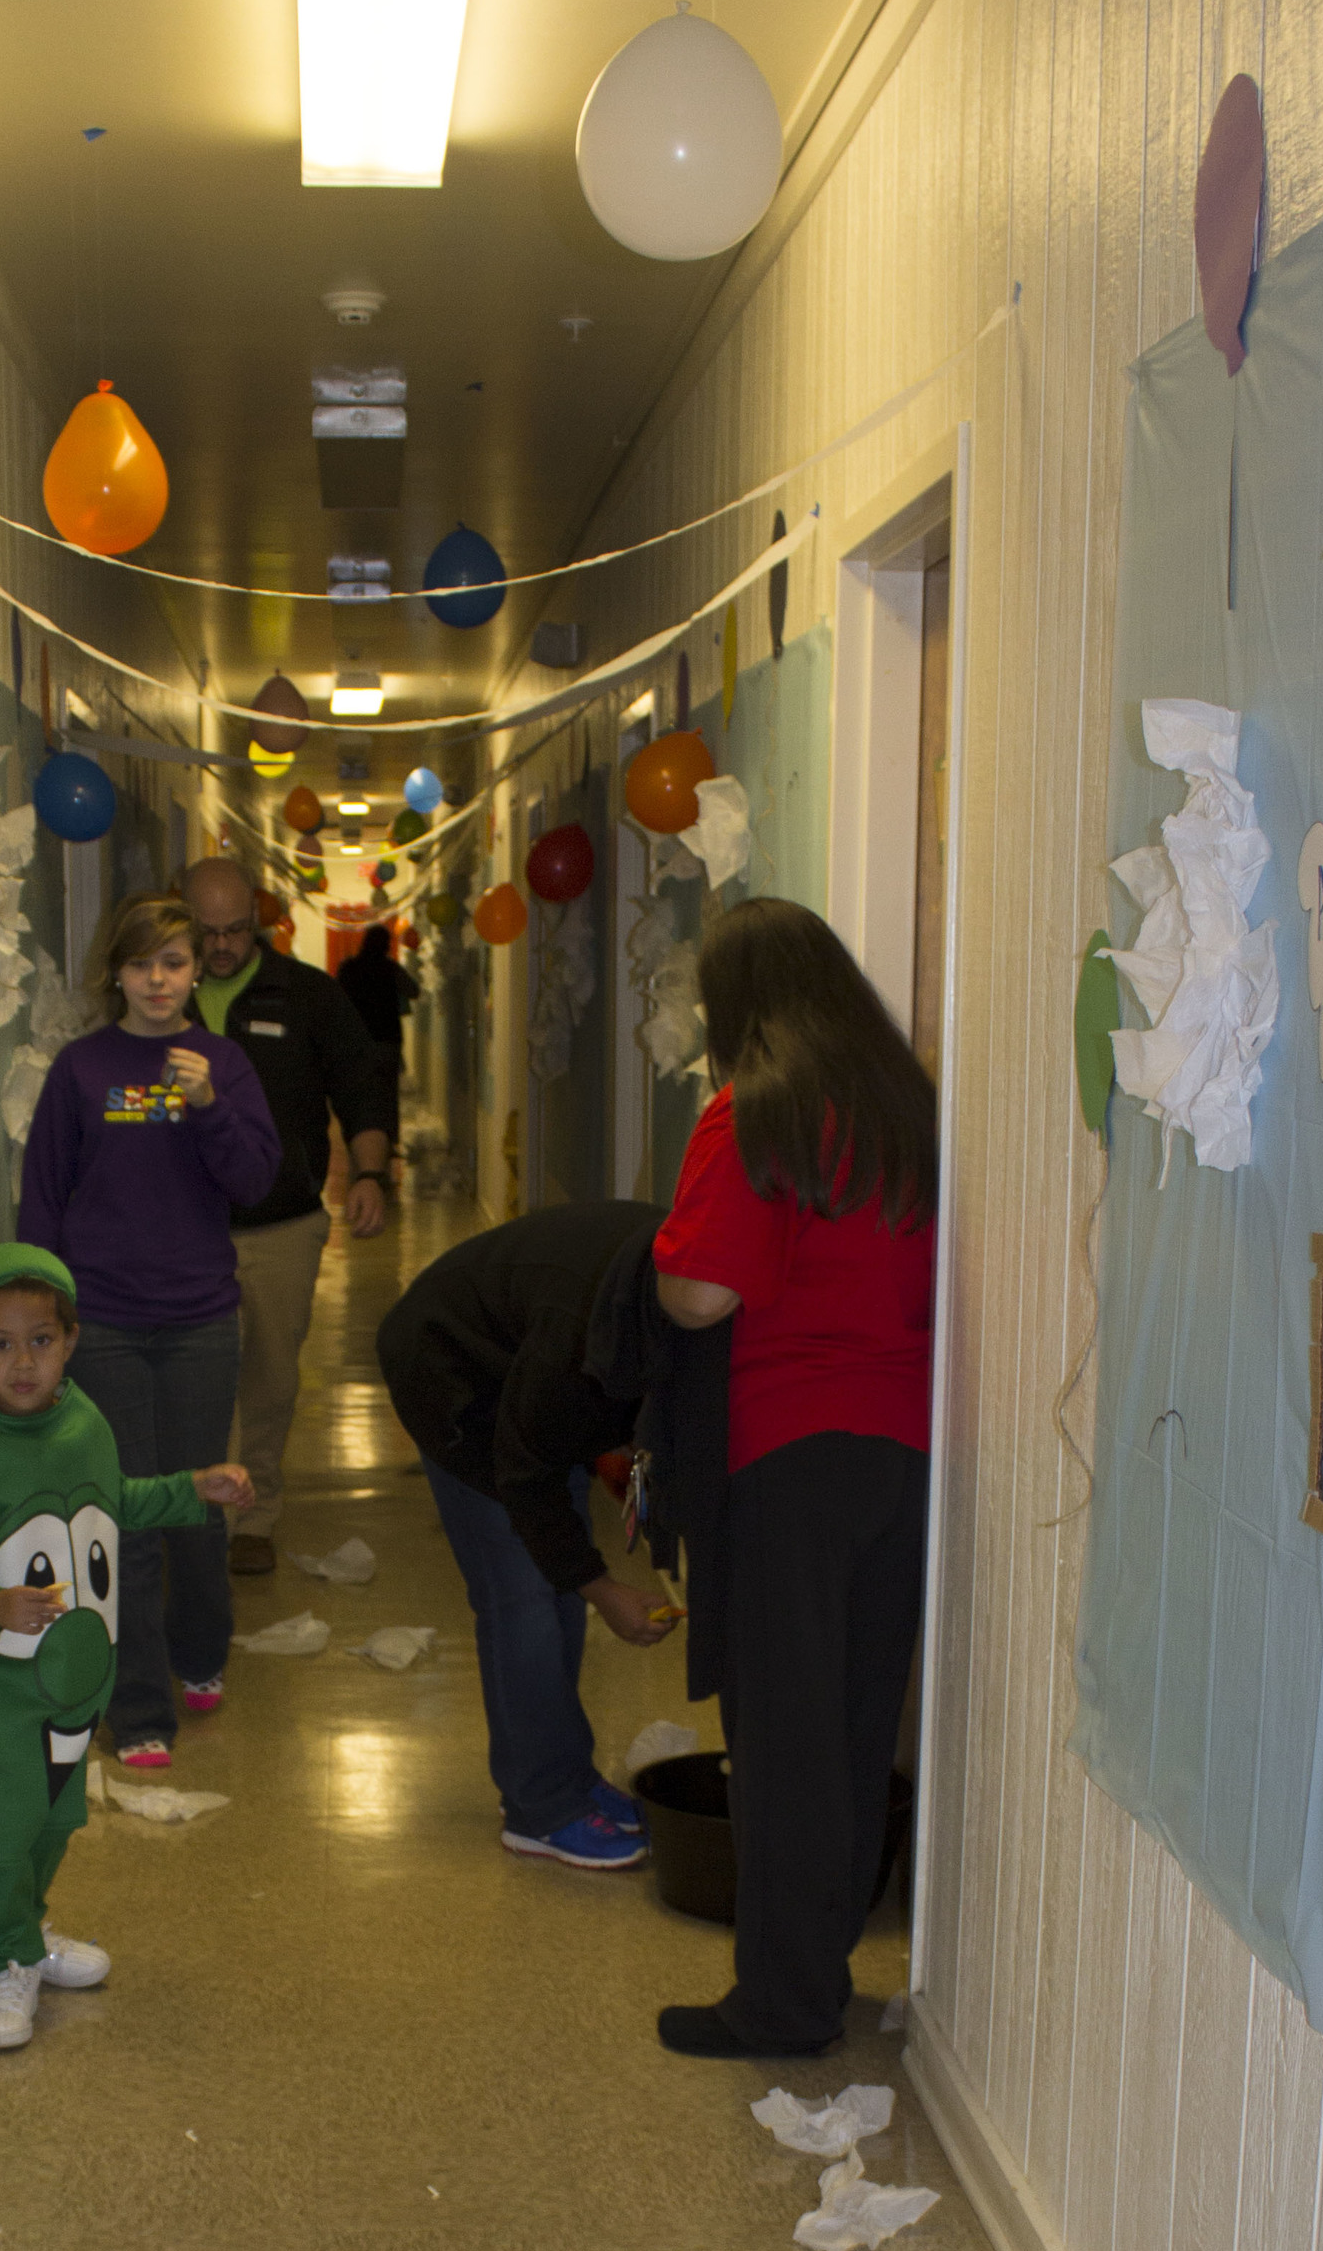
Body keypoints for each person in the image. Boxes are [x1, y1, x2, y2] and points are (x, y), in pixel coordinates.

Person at [649, 898, 937, 2058]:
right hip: (903, 1454)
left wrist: (665, 1256)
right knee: (856, 1730)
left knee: (781, 1743)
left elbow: (702, 1295)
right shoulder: (905, 1106)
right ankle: (821, 1971)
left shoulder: (751, 1114)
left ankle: (777, 2003)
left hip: (788, 1456)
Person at [0, 1245, 252, 2052]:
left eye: (41, 1341)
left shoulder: (83, 1423)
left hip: (59, 1681)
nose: (24, 1363)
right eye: (0, 1345)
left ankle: (29, 1933)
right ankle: (7, 1959)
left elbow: (109, 1502)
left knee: (50, 1817)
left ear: (72, 1340)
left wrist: (191, 1490)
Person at [18, 892, 278, 1769]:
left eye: (173, 963)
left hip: (201, 1316)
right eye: (141, 964)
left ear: (196, 967)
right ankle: (137, 1710)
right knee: (124, 1514)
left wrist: (208, 1104)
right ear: (116, 973)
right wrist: (43, 1322)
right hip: (108, 1320)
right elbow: (43, 1198)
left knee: (200, 1505)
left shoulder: (222, 1064)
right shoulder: (81, 1070)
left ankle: (201, 1651)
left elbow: (254, 1179)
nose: (158, 981)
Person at [378, 1202, 681, 1870]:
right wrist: (604, 1587)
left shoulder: (693, 1293)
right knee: (521, 1597)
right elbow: (526, 1477)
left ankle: (567, 1778)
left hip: (520, 1361)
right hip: (450, 1371)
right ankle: (540, 1810)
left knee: (557, 1590)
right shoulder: (583, 1343)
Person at [181, 857, 394, 1573]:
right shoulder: (158, 997)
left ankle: (255, 1517)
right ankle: (199, 1511)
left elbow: (360, 1085)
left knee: (268, 1376)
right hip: (183, 1227)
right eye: (204, 931)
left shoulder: (305, 996)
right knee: (197, 1375)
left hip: (280, 1224)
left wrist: (369, 1173)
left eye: (234, 930)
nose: (219, 946)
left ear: (260, 920)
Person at [338, 917, 420, 1131]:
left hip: (357, 1041)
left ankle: (361, 1134)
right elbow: (414, 991)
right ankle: (389, 1138)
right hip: (387, 1038)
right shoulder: (391, 968)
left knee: (360, 1092)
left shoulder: (349, 968)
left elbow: (336, 1000)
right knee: (387, 1093)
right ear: (386, 945)